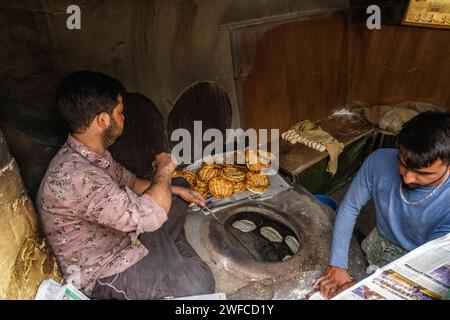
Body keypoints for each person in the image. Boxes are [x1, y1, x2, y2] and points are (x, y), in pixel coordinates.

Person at [36, 71, 215, 299]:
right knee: (199, 283)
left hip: (124, 234)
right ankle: (170, 256)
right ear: (103, 120)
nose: (124, 119)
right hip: (106, 269)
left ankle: (166, 251)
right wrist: (164, 169)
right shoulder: (77, 177)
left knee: (177, 188)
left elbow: (130, 182)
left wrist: (176, 188)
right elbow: (148, 215)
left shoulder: (90, 154)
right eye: (120, 113)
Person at [314, 111, 450, 299]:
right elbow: (349, 208)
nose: (408, 178)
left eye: (423, 173)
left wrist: (368, 292)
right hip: (379, 241)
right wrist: (338, 264)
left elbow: (427, 261)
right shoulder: (378, 161)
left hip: (417, 259)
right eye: (403, 163)